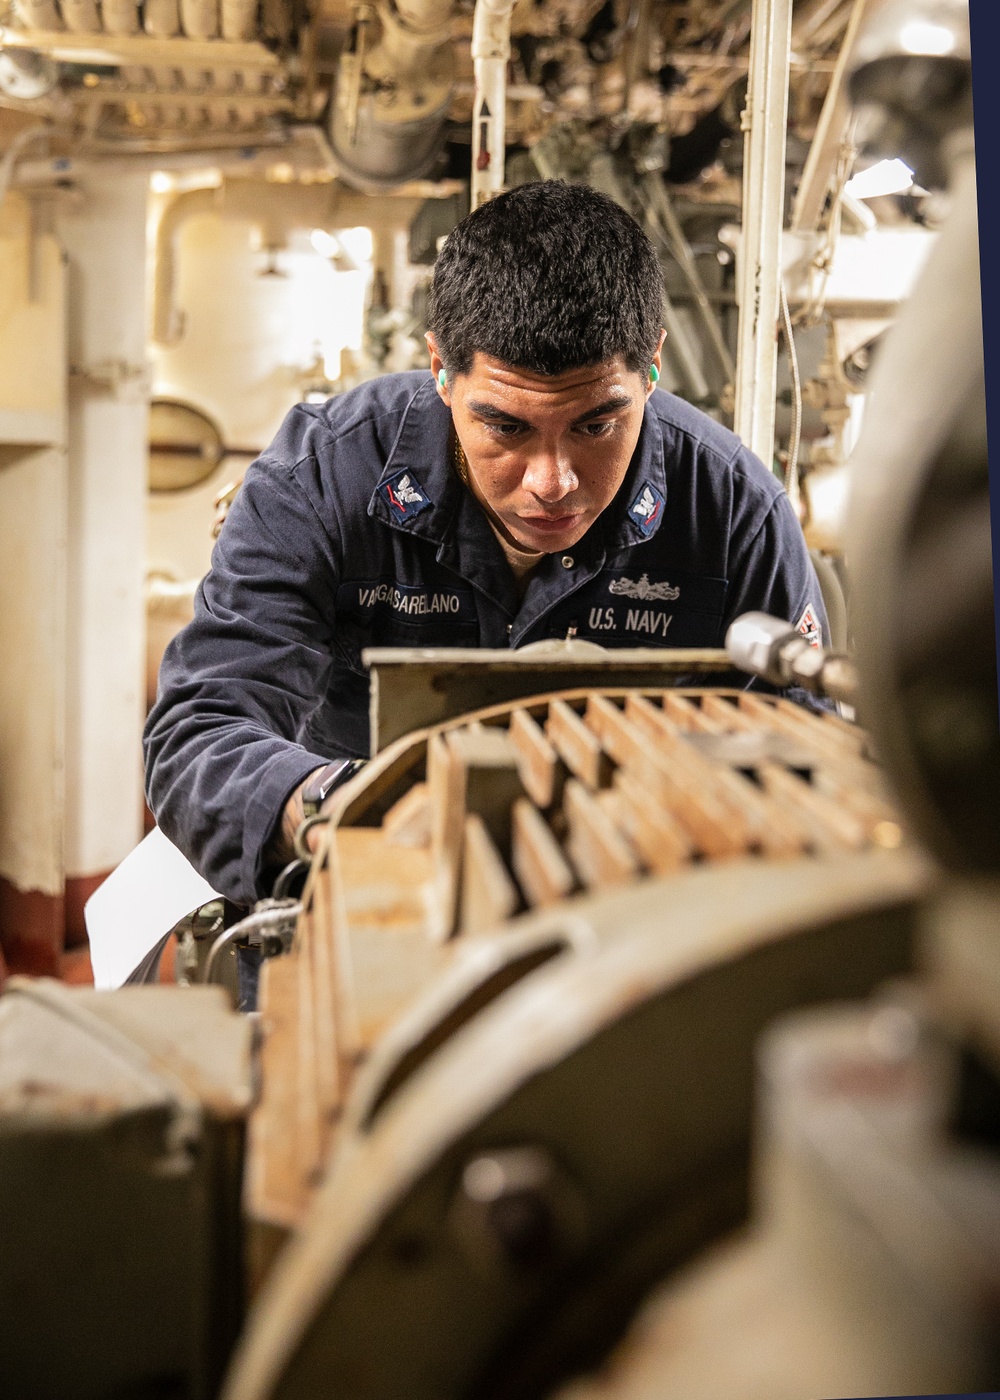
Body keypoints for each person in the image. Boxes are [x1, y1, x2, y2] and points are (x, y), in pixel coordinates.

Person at [144, 180, 828, 910]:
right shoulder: (323, 477)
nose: (552, 482)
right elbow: (202, 730)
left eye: (597, 425)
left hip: (642, 912)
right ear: (441, 367)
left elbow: (807, 754)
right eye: (507, 426)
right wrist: (341, 809)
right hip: (370, 892)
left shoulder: (733, 510)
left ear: (652, 364)